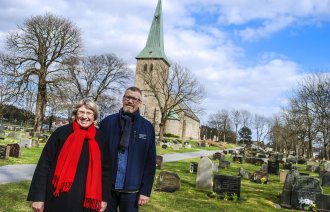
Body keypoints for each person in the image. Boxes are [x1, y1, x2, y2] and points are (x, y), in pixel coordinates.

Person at [27, 98, 110, 212]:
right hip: (58, 196)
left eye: (89, 113)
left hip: (87, 199)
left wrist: (104, 199)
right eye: (81, 112)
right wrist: (38, 197)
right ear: (75, 114)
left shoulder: (101, 138)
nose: (84, 116)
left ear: (94, 117)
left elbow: (106, 170)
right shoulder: (61, 133)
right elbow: (44, 164)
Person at [100, 86, 156, 212]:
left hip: (132, 190)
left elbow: (150, 162)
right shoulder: (107, 123)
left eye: (135, 99)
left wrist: (145, 191)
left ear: (140, 103)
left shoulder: (147, 127)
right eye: (128, 97)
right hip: (107, 188)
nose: (130, 101)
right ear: (123, 99)